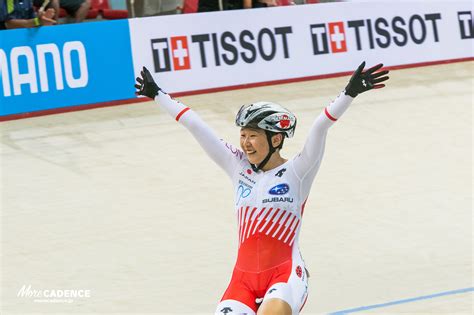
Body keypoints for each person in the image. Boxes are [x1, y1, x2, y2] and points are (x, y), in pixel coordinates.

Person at [134, 62, 389, 314]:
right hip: (242, 281)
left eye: (253, 135)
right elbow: (197, 126)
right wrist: (158, 95)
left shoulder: (298, 172)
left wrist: (348, 93)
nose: (246, 143)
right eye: (243, 135)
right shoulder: (237, 166)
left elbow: (320, 126)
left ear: (276, 139)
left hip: (284, 275)